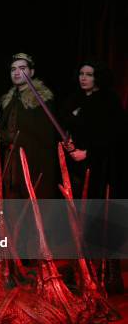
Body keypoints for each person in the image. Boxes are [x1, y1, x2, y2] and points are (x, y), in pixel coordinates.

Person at [60, 60, 124, 293]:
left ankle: (108, 276)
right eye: (81, 73)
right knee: (81, 220)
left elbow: (116, 136)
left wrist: (88, 152)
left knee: (104, 219)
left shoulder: (110, 101)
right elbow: (70, 128)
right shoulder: (75, 100)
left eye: (89, 74)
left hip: (103, 169)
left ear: (99, 77)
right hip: (78, 169)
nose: (83, 78)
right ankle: (81, 273)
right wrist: (69, 144)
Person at [0, 53, 58, 199]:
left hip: (32, 163)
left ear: (31, 72)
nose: (17, 72)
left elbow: (45, 136)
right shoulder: (9, 99)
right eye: (13, 69)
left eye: (22, 68)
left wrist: (10, 136)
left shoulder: (41, 100)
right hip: (10, 162)